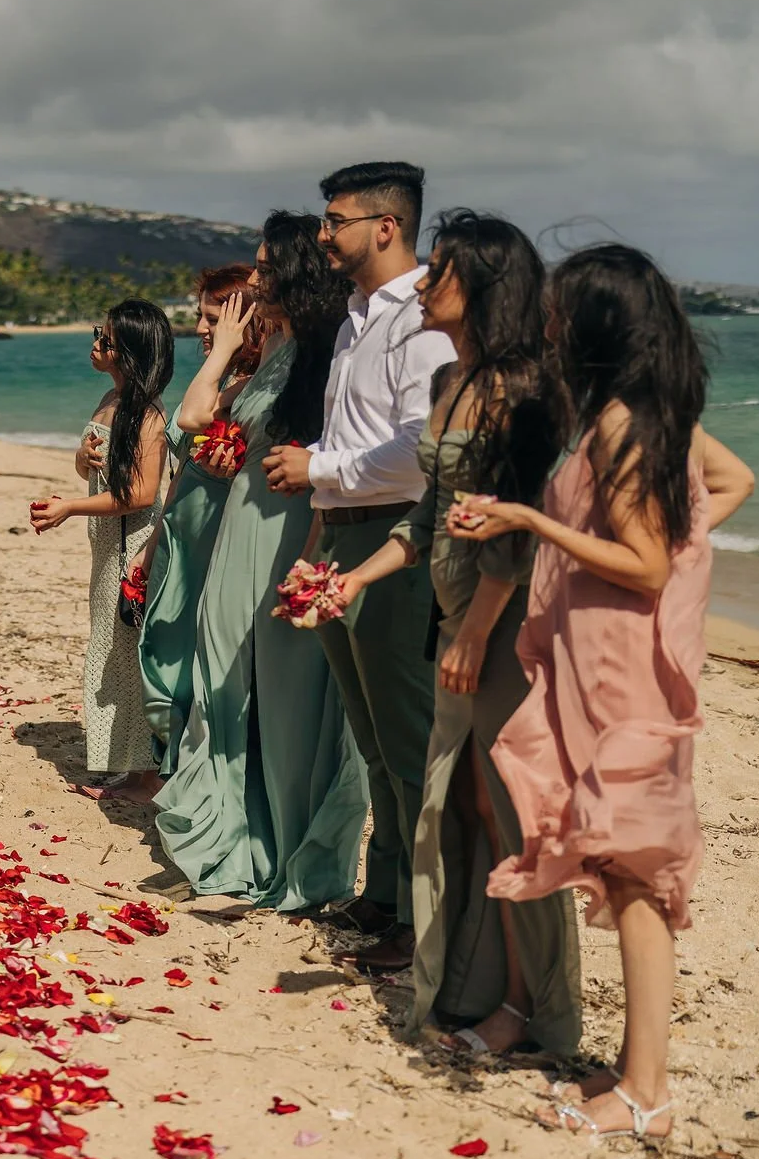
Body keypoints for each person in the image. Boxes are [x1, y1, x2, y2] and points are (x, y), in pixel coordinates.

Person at [454, 244, 754, 1141]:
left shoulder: (625, 423)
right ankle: (636, 1080)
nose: (547, 321)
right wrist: (692, 543)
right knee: (622, 868)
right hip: (600, 662)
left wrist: (529, 518)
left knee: (634, 877)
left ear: (594, 325)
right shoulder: (639, 415)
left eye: (560, 310)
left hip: (623, 672)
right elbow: (728, 489)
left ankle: (646, 1092)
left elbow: (647, 561)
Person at [331, 212, 580, 1055]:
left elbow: (518, 526)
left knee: (508, 813)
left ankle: (531, 1010)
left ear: (484, 287)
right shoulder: (453, 385)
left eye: (443, 271)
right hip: (456, 619)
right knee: (461, 808)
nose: (426, 282)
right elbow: (431, 516)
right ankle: (471, 991)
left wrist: (474, 628)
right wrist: (355, 578)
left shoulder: (525, 389)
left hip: (503, 630)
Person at [262, 161, 455, 969]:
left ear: (385, 226)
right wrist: (316, 527)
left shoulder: (422, 319)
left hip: (396, 539)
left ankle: (422, 918)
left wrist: (320, 471)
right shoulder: (351, 319)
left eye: (335, 219)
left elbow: (422, 452)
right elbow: (358, 439)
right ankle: (383, 894)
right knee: (370, 733)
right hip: (343, 532)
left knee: (406, 735)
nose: (321, 235)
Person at [152, 213, 367, 909]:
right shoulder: (275, 350)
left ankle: (289, 856)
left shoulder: (329, 354)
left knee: (287, 700)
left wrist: (310, 562)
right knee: (223, 685)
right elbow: (191, 419)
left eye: (267, 269)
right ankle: (235, 840)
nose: (256, 280)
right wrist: (224, 350)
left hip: (288, 540)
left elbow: (338, 472)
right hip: (238, 541)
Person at [29, 301, 175, 788]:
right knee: (109, 647)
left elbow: (141, 494)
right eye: (98, 334)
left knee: (128, 650)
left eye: (107, 341)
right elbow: (91, 473)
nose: (95, 346)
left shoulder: (148, 417)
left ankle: (145, 772)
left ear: (129, 354)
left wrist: (70, 507)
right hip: (106, 545)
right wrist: (80, 457)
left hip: (134, 544)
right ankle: (120, 757)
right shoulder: (107, 403)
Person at [135, 265, 273, 775]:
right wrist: (153, 544)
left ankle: (188, 779)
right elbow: (180, 470)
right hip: (180, 538)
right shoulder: (226, 377)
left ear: (249, 321)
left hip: (219, 544)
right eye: (201, 316)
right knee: (163, 654)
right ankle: (168, 774)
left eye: (213, 317)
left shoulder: (257, 386)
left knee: (199, 668)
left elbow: (200, 426)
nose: (201, 329)